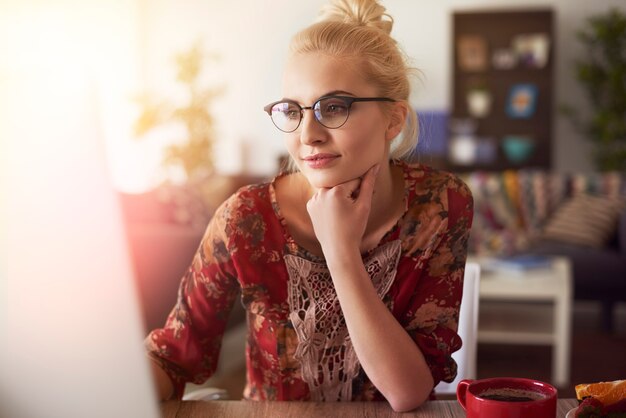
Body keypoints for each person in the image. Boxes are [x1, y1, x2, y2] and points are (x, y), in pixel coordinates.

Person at [146, 0, 473, 412]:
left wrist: (340, 251)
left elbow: (407, 391)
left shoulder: (440, 206)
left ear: (393, 120)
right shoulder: (245, 219)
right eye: (292, 110)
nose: (308, 134)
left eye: (333, 107)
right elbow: (171, 356)